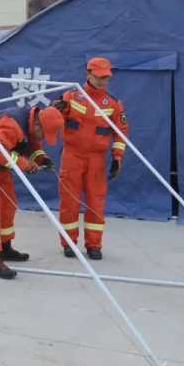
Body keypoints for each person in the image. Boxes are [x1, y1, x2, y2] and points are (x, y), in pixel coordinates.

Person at [0, 105, 64, 279]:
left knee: (8, 204)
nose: (45, 139)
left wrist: (41, 158)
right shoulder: (12, 124)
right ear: (39, 125)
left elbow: (32, 144)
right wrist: (25, 165)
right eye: (45, 134)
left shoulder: (31, 123)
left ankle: (5, 247)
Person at [54, 57, 128, 260]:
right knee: (69, 201)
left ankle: (94, 245)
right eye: (99, 77)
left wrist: (117, 157)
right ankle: (69, 243)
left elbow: (120, 132)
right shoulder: (70, 96)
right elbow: (54, 121)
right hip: (72, 156)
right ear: (88, 74)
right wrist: (56, 112)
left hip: (96, 159)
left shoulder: (113, 103)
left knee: (96, 203)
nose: (103, 81)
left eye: (106, 78)